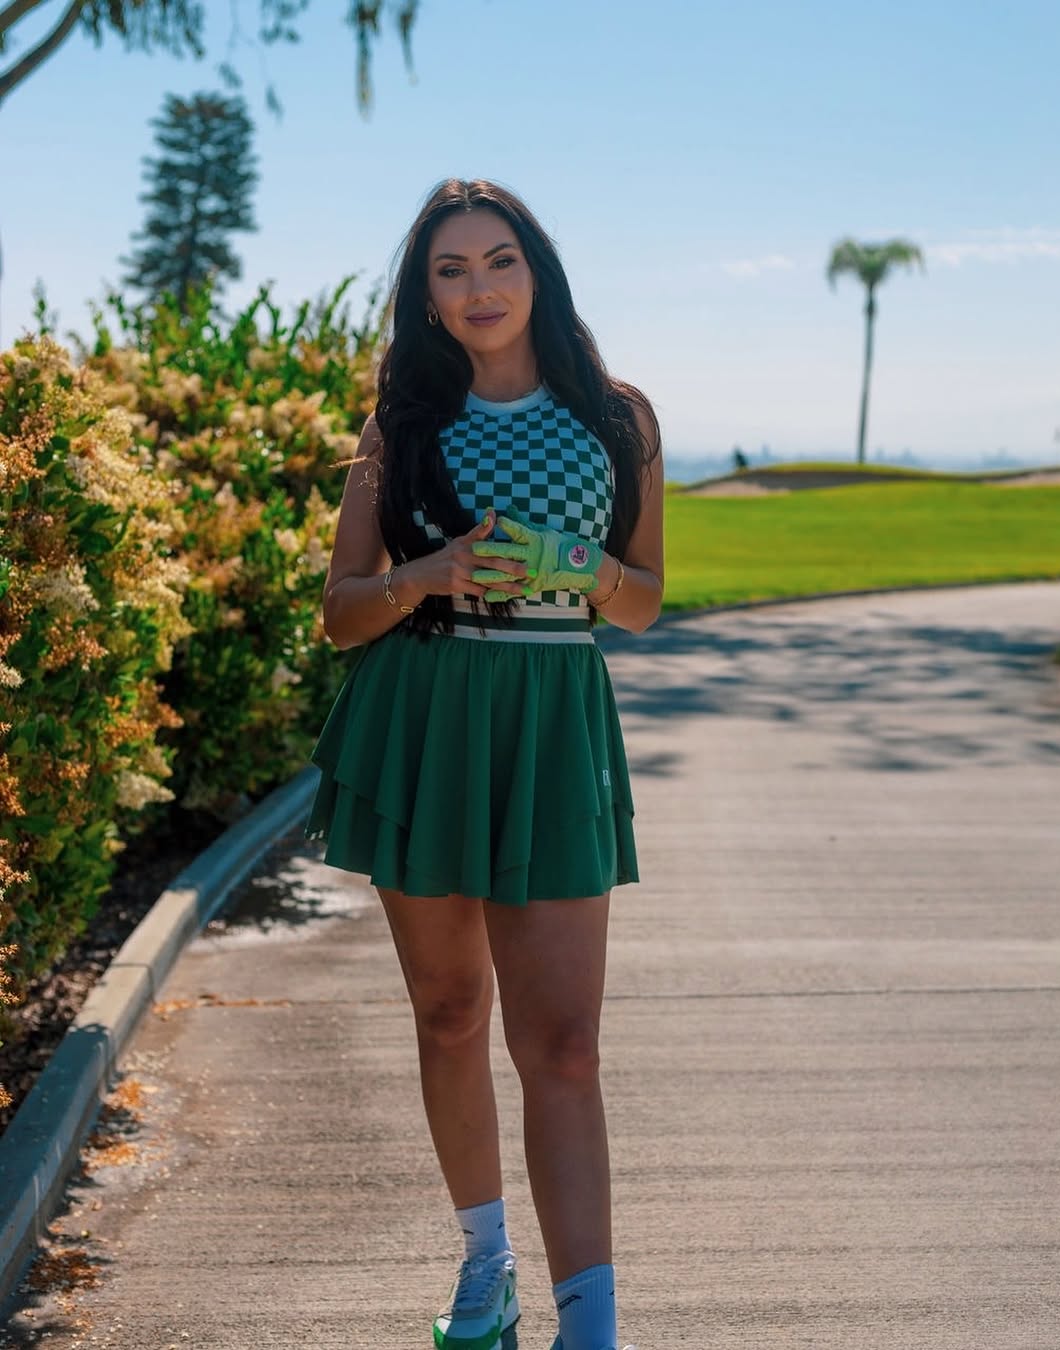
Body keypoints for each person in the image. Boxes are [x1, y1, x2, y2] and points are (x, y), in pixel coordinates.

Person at [306, 177, 663, 1350]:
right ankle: (484, 1267)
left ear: (539, 271)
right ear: (424, 295)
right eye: (449, 271)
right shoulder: (397, 429)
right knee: (451, 1012)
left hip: (554, 719)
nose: (478, 290)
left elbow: (646, 603)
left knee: (562, 1041)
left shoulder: (620, 414)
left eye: (498, 261)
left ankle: (593, 1326)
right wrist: (430, 572)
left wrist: (577, 563)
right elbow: (343, 614)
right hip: (429, 714)